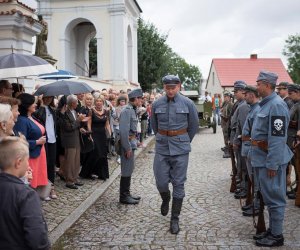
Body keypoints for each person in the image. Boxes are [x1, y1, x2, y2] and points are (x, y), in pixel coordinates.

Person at [151, 75, 199, 234]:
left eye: (173, 87)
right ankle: (165, 198)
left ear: (179, 86)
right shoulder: (157, 103)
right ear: (163, 87)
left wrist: (183, 141)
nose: (170, 90)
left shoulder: (188, 103)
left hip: (180, 149)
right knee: (161, 181)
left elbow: (193, 126)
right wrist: (164, 138)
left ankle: (175, 219)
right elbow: (154, 126)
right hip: (162, 147)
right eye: (167, 88)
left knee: (179, 183)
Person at [250, 71, 293, 247]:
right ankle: (272, 230)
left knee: (275, 199)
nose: (256, 86)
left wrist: (273, 163)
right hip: (262, 159)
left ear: (267, 85)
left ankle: (277, 236)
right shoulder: (265, 104)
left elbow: (277, 139)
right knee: (269, 197)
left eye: (258, 83)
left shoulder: (276, 106)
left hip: (270, 161)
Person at [0, 137, 50, 250]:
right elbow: (37, 237)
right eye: (27, 160)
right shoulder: (26, 195)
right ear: (18, 163)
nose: (29, 165)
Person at [14, 93, 49, 191]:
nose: (35, 104)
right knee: (31, 183)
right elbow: (20, 142)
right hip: (31, 156)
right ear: (27, 105)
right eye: (33, 103)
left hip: (39, 154)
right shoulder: (21, 120)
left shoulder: (32, 117)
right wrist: (37, 142)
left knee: (37, 182)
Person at [119, 88, 143, 205]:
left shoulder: (132, 110)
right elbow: (123, 132)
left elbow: (132, 130)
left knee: (129, 169)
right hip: (127, 145)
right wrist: (127, 148)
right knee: (126, 170)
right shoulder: (127, 111)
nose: (142, 101)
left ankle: (127, 193)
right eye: (140, 98)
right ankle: (123, 196)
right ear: (136, 99)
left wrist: (136, 141)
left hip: (131, 142)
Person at [240, 85, 260, 217]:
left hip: (252, 148)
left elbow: (257, 133)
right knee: (254, 180)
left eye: (246, 94)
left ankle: (257, 207)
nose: (244, 96)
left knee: (256, 181)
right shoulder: (253, 109)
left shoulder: (257, 110)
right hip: (248, 147)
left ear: (251, 95)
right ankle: (255, 203)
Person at [58, 95, 86, 189]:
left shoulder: (74, 111)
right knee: (70, 161)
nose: (77, 103)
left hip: (76, 138)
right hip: (69, 140)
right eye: (76, 102)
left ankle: (75, 178)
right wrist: (78, 120)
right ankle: (69, 181)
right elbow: (68, 127)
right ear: (72, 103)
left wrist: (80, 127)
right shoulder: (65, 113)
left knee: (76, 160)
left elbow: (75, 125)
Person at [80, 96, 111, 180]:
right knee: (95, 153)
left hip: (102, 135)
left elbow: (107, 123)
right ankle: (87, 173)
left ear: (103, 102)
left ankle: (102, 174)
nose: (99, 102)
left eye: (100, 101)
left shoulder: (106, 111)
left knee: (103, 154)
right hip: (94, 133)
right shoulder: (91, 111)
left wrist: (110, 133)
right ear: (95, 102)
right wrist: (89, 134)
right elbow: (89, 123)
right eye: (97, 101)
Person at [33, 96, 58, 199]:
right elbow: (39, 119)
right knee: (44, 164)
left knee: (51, 164)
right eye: (46, 97)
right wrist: (42, 107)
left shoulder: (52, 110)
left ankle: (51, 187)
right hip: (44, 140)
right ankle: (44, 188)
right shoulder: (38, 110)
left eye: (50, 97)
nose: (48, 99)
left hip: (53, 139)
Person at [286, 84, 300, 200]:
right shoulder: (296, 104)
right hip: (293, 139)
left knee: (298, 165)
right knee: (295, 165)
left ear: (297, 92)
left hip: (296, 140)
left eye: (291, 94)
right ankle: (297, 189)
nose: (289, 96)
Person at [220, 91, 233, 158]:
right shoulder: (226, 104)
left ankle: (228, 151)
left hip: (227, 123)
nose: (225, 98)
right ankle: (226, 147)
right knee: (225, 136)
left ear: (229, 97)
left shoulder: (230, 104)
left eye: (226, 97)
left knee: (227, 137)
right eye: (224, 96)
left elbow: (231, 115)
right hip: (224, 123)